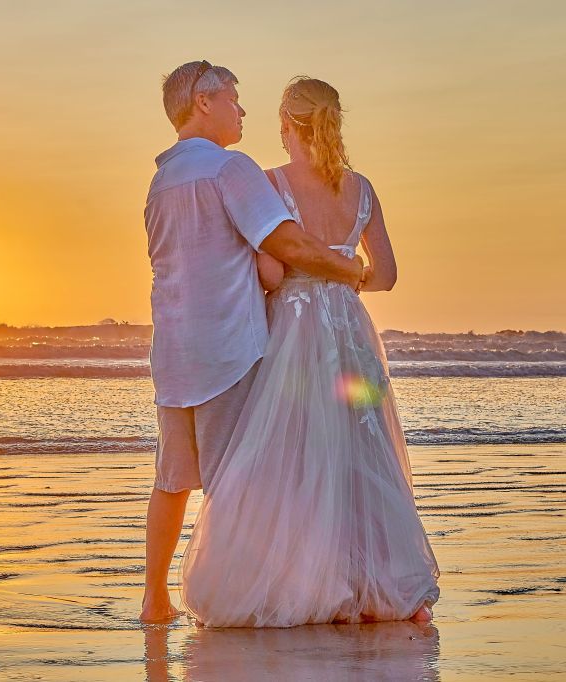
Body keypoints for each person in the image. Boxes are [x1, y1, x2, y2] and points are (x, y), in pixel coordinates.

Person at [180, 77, 441, 627]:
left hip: (295, 331)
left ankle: (318, 587)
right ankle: (386, 588)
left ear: (286, 125)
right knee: (361, 453)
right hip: (349, 330)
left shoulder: (272, 183)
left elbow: (273, 268)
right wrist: (347, 280)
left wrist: (286, 278)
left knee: (293, 454)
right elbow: (387, 276)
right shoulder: (361, 188)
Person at [140, 63, 365, 623]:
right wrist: (347, 268)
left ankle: (155, 598)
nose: (242, 112)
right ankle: (239, 599)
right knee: (235, 481)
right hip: (229, 347)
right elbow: (284, 241)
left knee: (172, 480)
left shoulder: (162, 179)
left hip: (173, 350)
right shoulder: (230, 168)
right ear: (203, 102)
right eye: (235, 100)